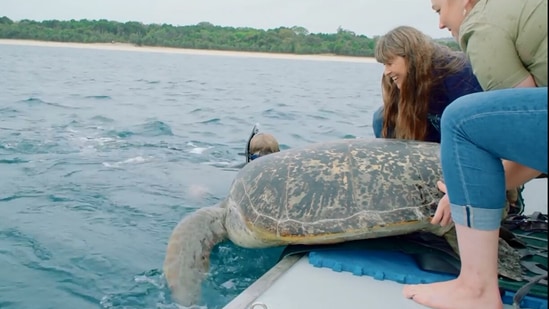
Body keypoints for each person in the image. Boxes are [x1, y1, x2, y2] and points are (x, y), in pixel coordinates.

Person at [403, 0, 547, 308]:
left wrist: (463, 191)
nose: (440, 24)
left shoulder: (481, 22)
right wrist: (469, 190)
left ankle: (476, 289)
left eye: (439, 9)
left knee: (461, 120)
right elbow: (537, 144)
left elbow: (519, 135)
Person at [372, 25, 483, 143]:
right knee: (381, 118)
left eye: (390, 63)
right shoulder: (397, 81)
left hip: (462, 139)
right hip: (429, 136)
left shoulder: (459, 75)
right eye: (384, 64)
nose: (386, 72)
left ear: (410, 57)